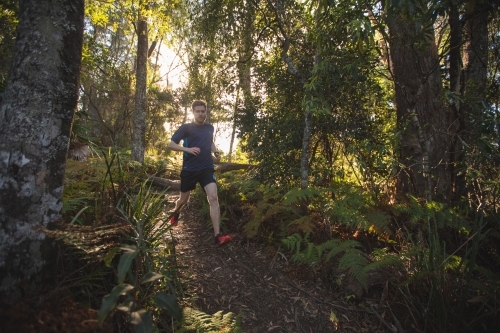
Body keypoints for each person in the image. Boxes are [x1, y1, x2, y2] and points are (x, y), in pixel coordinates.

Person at [167, 100, 231, 246]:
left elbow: (210, 142)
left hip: (206, 168)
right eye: (198, 111)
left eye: (203, 111)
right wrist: (187, 150)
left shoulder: (210, 127)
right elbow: (171, 144)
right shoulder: (186, 128)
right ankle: (175, 213)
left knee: (213, 197)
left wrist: (216, 151)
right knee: (183, 200)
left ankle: (218, 236)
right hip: (189, 169)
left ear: (206, 112)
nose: (201, 114)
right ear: (193, 112)